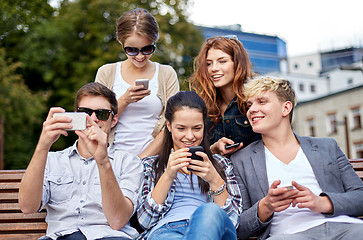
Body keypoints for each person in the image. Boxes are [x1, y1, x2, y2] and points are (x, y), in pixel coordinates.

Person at [231, 76, 363, 240]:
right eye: (249, 105)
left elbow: (360, 196)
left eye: (262, 102)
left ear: (286, 108)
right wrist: (266, 206)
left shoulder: (326, 147)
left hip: (344, 228)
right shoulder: (241, 160)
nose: (251, 110)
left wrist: (321, 203)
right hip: (289, 235)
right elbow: (237, 227)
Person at [18, 82, 143, 240]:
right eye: (85, 112)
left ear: (114, 120)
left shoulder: (129, 163)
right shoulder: (51, 160)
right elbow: (27, 207)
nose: (93, 119)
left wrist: (103, 161)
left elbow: (117, 220)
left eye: (102, 114)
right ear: (74, 115)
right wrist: (43, 146)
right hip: (61, 236)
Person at [137, 91, 242, 240]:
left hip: (212, 230)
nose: (190, 136)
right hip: (167, 231)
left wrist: (214, 179)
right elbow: (144, 221)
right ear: (169, 125)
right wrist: (168, 175)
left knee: (209, 211)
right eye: (181, 128)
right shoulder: (150, 165)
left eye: (197, 128)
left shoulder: (222, 164)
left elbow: (233, 221)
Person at [95, 8, 179, 159]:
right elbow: (97, 122)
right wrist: (124, 100)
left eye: (147, 49)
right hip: (111, 159)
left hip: (153, 161)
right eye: (132, 50)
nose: (140, 56)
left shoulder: (167, 74)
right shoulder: (106, 73)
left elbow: (172, 125)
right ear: (121, 43)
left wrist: (139, 161)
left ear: (155, 42)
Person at [189, 35, 260, 157]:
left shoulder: (256, 99)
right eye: (209, 63)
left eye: (222, 61)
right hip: (215, 173)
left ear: (237, 63)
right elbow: (194, 152)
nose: (214, 69)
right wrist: (214, 149)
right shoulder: (203, 105)